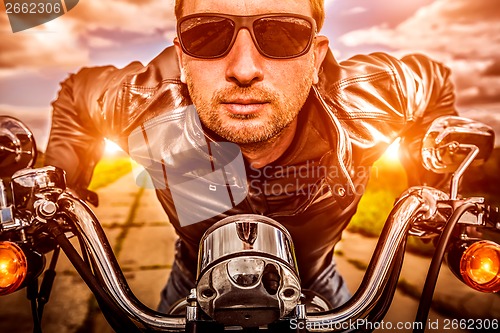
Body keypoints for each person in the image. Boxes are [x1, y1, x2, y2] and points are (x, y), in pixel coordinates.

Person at [45, 0, 457, 313]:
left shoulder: (372, 100)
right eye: (206, 35)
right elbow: (75, 93)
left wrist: (433, 183)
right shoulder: (141, 102)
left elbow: (435, 81)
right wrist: (57, 182)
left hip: (316, 280)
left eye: (282, 35)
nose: (244, 69)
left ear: (315, 58)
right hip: (192, 278)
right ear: (182, 58)